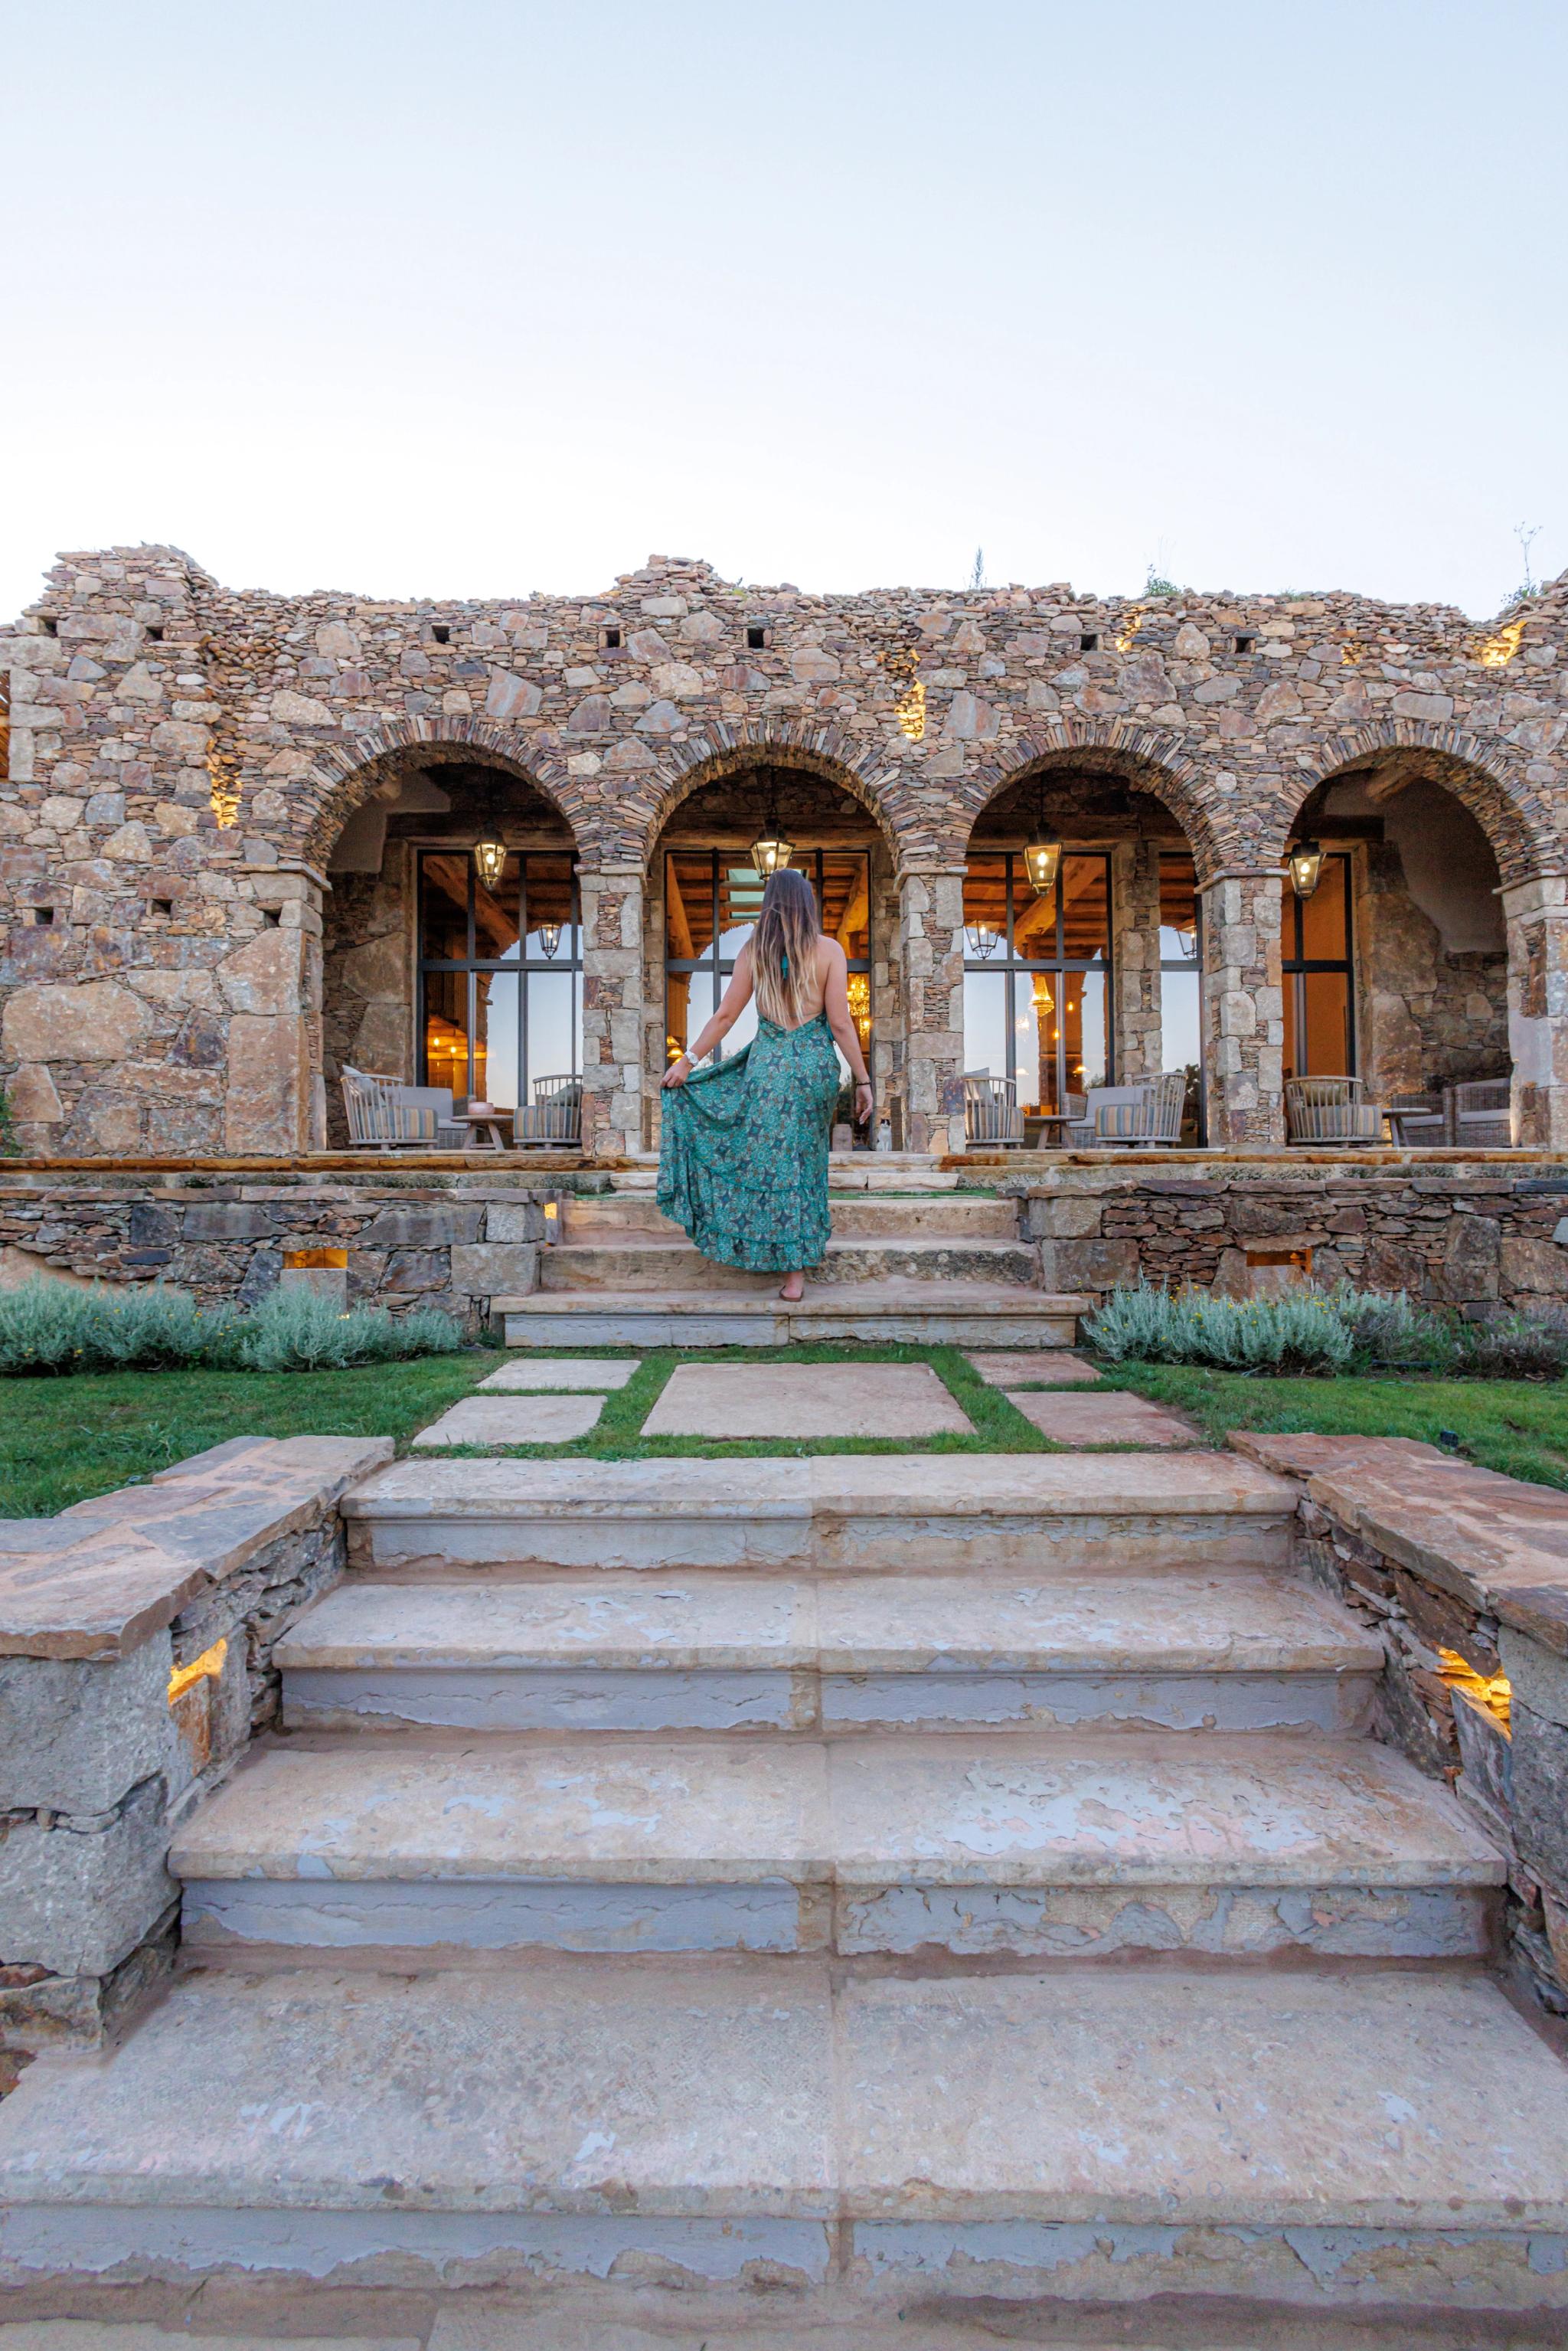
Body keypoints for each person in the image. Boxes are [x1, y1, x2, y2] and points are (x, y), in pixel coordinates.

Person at [658, 865, 874, 1302]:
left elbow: (724, 1017)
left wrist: (688, 1062)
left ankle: (759, 1248)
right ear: (807, 904)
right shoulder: (829, 951)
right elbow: (840, 1023)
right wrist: (864, 1079)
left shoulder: (753, 952)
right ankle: (795, 1277)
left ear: (769, 904)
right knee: (803, 1163)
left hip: (770, 1067)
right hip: (814, 1069)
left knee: (768, 1162)